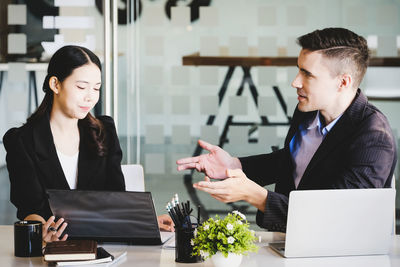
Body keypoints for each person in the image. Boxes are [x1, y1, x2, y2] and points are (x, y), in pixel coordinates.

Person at [177, 28, 397, 232]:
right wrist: (235, 165)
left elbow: (337, 217)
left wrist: (256, 196)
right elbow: (294, 161)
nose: (295, 82)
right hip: (293, 238)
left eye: (307, 74)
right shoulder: (309, 110)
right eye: (298, 70)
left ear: (343, 82)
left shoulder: (374, 138)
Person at [3, 45, 173, 243]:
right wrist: (41, 231)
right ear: (55, 84)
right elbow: (29, 208)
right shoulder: (21, 141)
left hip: (105, 247)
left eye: (96, 88)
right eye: (81, 87)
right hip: (54, 250)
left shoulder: (104, 131)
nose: (90, 97)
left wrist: (146, 221)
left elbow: (116, 199)